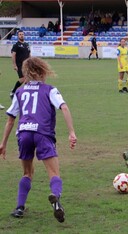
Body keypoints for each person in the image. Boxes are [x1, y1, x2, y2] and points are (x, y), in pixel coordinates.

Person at [0, 57, 77, 222]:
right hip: (43, 133)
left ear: (26, 72)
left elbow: (10, 119)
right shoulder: (50, 89)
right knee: (54, 173)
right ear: (42, 71)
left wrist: (3, 143)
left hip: (24, 134)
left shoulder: (20, 91)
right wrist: (71, 132)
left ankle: (19, 208)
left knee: (27, 173)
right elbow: (63, 107)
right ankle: (55, 198)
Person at [10, 30, 30, 99]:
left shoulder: (27, 44)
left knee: (28, 79)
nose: (21, 35)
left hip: (27, 65)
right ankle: (13, 91)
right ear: (18, 36)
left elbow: (29, 54)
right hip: (20, 65)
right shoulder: (16, 45)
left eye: (22, 34)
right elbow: (13, 55)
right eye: (20, 34)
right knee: (22, 79)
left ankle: (25, 92)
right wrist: (14, 65)